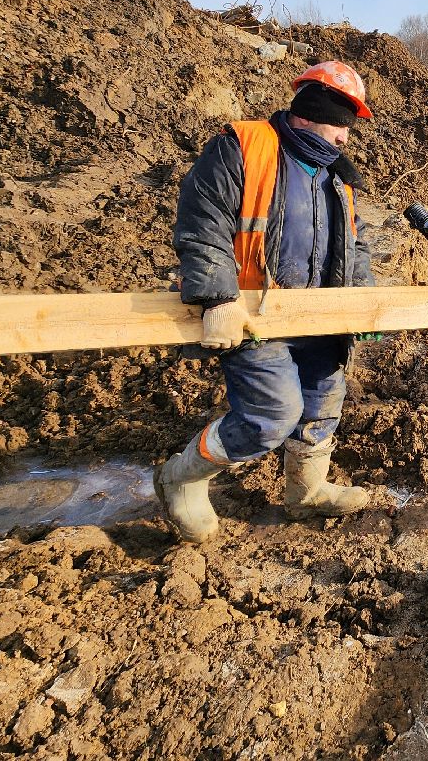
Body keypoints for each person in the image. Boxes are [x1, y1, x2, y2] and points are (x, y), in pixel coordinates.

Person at [155, 61, 377, 543]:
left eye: (349, 127)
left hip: (320, 319)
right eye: (340, 123)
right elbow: (202, 221)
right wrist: (217, 296)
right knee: (271, 416)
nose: (345, 137)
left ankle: (307, 491)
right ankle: (182, 477)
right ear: (311, 111)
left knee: (322, 404)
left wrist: (363, 302)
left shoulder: (336, 176)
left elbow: (353, 244)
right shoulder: (244, 146)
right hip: (254, 317)